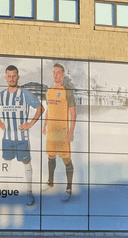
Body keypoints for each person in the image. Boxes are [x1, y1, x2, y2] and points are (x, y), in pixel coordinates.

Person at [0, 65, 44, 206]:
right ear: (5, 77)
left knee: (26, 163)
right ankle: (4, 190)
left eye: (13, 76)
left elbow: (40, 108)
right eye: (8, 76)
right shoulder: (2, 95)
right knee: (6, 163)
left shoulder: (24, 93)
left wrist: (30, 124)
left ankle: (29, 192)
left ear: (18, 77)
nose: (11, 78)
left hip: (22, 138)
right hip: (7, 137)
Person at [43, 63, 77, 202]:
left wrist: (71, 132)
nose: (55, 75)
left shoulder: (68, 91)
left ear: (63, 75)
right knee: (51, 157)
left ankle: (68, 187)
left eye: (58, 72)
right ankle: (50, 183)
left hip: (63, 132)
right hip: (51, 131)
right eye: (54, 72)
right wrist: (45, 125)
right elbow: (49, 109)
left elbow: (73, 114)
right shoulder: (49, 91)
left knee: (66, 159)